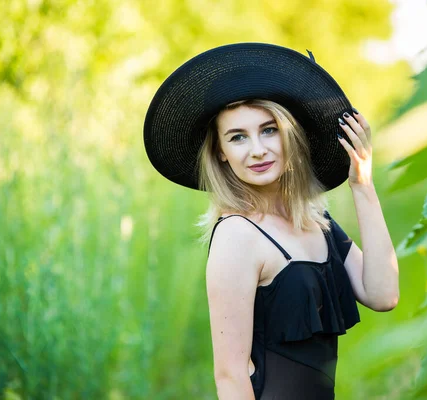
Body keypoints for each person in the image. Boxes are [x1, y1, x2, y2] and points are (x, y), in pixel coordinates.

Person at [143, 43, 400, 400]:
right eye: (237, 137)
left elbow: (383, 294)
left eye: (268, 130)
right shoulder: (237, 235)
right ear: (221, 151)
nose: (258, 150)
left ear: (289, 133)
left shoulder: (316, 222)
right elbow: (231, 376)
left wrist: (363, 186)